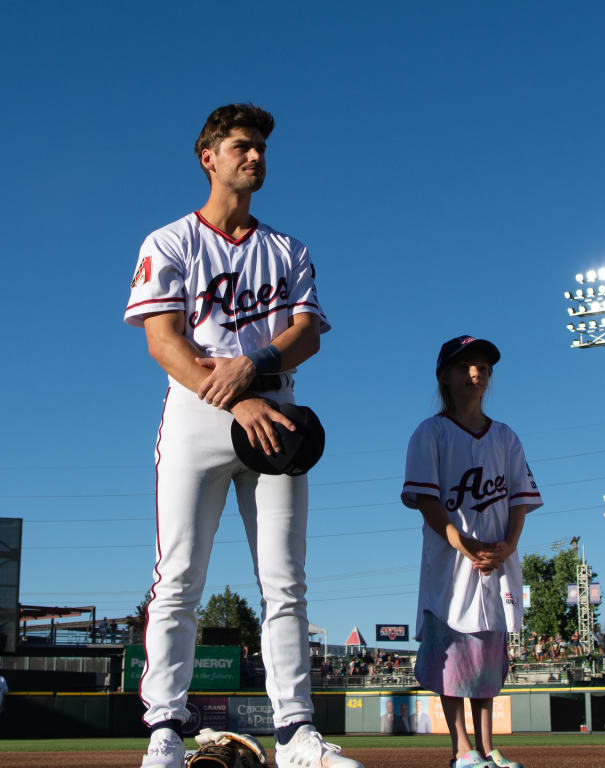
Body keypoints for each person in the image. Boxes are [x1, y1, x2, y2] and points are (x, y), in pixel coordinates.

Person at [124, 103, 358, 768]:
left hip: (276, 410)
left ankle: (295, 734)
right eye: (241, 146)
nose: (255, 156)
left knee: (286, 583)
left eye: (261, 148)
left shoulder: (288, 249)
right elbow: (164, 343)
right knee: (177, 580)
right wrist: (236, 402)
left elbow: (306, 334)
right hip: (199, 411)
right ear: (209, 157)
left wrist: (254, 372)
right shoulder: (169, 241)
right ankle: (165, 728)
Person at [401, 335, 540, 768]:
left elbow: (520, 498)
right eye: (464, 367)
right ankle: (461, 748)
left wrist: (509, 546)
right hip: (450, 565)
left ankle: (486, 746)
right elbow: (426, 501)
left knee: (485, 658)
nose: (475, 374)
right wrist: (462, 544)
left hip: (496, 562)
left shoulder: (506, 437)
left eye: (482, 367)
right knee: (453, 656)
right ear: (444, 376)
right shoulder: (431, 433)